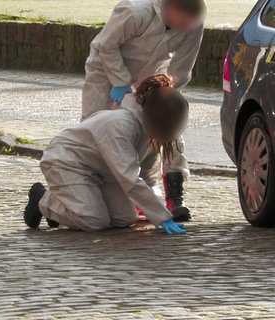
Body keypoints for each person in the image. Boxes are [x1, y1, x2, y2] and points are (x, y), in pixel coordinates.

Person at [81, 0, 207, 222]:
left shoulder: (194, 24)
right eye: (181, 22)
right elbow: (105, 45)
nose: (184, 28)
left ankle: (173, 192)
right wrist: (120, 82)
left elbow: (182, 67)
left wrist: (167, 99)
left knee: (168, 124)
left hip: (152, 75)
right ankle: (90, 186)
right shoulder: (134, 11)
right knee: (95, 128)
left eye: (189, 24)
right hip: (105, 69)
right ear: (169, 7)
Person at [25, 74, 187, 234]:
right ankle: (43, 199)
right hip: (67, 161)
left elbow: (148, 178)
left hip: (102, 172)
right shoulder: (121, 125)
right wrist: (162, 216)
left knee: (124, 219)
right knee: (94, 221)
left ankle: (67, 209)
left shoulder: (152, 134)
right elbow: (129, 178)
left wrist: (157, 212)